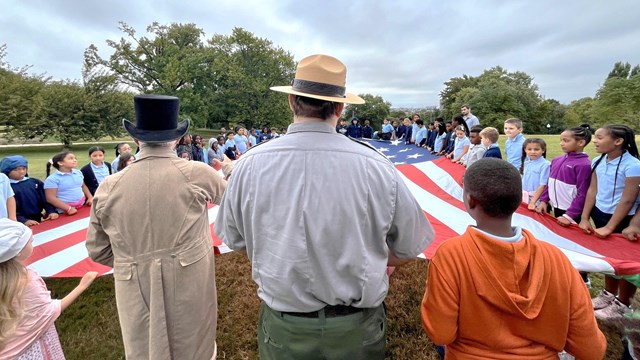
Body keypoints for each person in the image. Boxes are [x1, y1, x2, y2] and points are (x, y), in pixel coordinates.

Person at [215, 54, 434, 360]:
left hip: (285, 325)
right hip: (355, 327)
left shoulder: (250, 164)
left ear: (292, 101)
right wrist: (379, 263)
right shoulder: (376, 165)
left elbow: (235, 239)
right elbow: (410, 245)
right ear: (340, 107)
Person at [86, 94, 231, 359]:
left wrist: (134, 263)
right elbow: (236, 204)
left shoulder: (109, 186)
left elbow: (97, 250)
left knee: (143, 348)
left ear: (135, 140)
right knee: (194, 349)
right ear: (176, 138)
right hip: (189, 282)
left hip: (134, 285)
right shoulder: (198, 173)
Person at [421, 158, 606, 359]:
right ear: (520, 201)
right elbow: (591, 349)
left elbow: (440, 333)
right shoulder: (557, 259)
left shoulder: (450, 255)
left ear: (470, 200)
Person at [0, 219, 98, 359]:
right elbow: (48, 312)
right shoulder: (27, 281)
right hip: (34, 348)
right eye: (30, 241)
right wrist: (82, 286)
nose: (33, 242)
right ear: (17, 252)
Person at [579, 125, 640, 321]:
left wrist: (611, 227)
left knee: (626, 263)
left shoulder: (632, 165)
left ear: (618, 141)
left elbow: (628, 200)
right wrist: (584, 217)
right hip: (601, 215)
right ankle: (608, 295)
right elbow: (592, 191)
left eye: (599, 137)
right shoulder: (597, 161)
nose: (594, 140)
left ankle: (623, 303)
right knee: (608, 259)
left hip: (624, 219)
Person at [536, 124, 592, 225]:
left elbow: (583, 193)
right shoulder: (556, 160)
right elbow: (550, 183)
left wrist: (569, 215)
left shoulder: (584, 165)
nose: (561, 144)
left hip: (571, 212)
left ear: (581, 142)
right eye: (561, 140)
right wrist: (544, 200)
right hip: (556, 208)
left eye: (566, 141)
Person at [1, 155, 58, 226]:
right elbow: (7, 207)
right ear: (7, 171)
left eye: (23, 168)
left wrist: (50, 211)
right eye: (16, 169)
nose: (21, 171)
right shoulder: (6, 187)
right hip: (18, 223)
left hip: (37, 219)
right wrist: (23, 220)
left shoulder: (34, 182)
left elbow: (45, 199)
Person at [44, 150, 93, 215]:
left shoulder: (78, 172)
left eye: (75, 158)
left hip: (83, 206)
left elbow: (83, 186)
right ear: (60, 163)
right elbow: (50, 198)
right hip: (64, 211)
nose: (75, 160)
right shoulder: (52, 179)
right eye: (71, 158)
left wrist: (90, 197)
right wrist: (68, 208)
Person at [520, 138, 550, 210]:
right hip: (524, 198)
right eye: (529, 149)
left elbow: (543, 185)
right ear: (525, 150)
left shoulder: (545, 165)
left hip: (536, 200)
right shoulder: (526, 162)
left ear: (543, 150)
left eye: (536, 149)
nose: (532, 152)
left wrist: (533, 202)